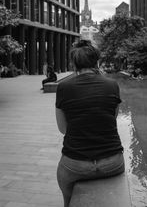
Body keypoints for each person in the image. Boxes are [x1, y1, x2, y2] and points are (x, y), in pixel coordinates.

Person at [55, 39, 124, 207]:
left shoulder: (63, 87)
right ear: (96, 61)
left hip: (75, 165)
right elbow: (111, 119)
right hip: (112, 162)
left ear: (73, 63)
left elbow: (63, 129)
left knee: (67, 196)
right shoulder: (112, 85)